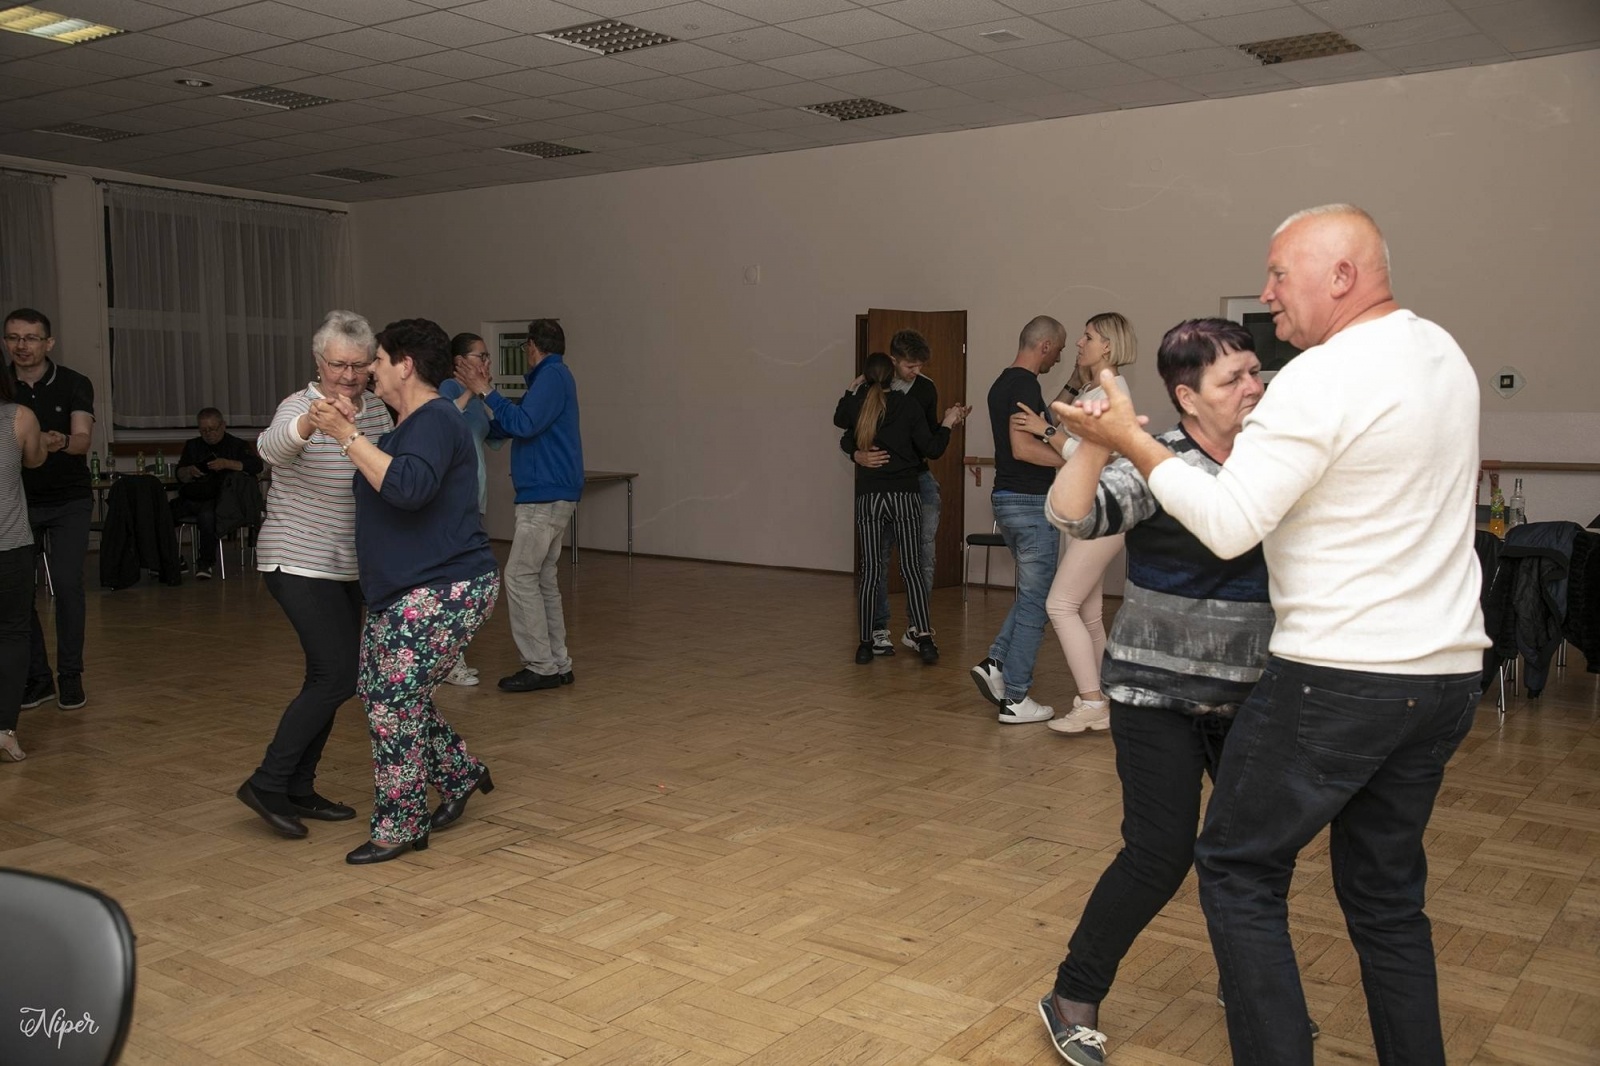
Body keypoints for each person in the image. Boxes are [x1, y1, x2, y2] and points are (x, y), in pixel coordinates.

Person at [1060, 205, 1487, 1066]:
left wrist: (1131, 442)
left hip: (1341, 677)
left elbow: (1227, 523)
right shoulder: (1442, 352)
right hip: (1441, 680)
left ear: (1341, 276)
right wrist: (1129, 447)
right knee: (1386, 901)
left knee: (1237, 867)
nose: (1267, 293)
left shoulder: (1322, 378)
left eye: (1280, 274)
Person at [1034, 319, 1272, 1066]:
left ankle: (1258, 995)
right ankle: (1073, 993)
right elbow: (1068, 513)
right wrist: (1102, 440)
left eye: (1255, 372)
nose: (1253, 388)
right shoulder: (1154, 458)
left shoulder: (1278, 460)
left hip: (1254, 697)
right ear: (1185, 396)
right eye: (1232, 379)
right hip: (1152, 696)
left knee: (1257, 860)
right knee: (1159, 852)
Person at [308, 318, 500, 865]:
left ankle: (401, 824)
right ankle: (461, 774)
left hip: (445, 586)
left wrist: (348, 437)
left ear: (405, 365)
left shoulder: (436, 419)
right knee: (382, 692)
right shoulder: (405, 427)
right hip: (408, 588)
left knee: (392, 701)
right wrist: (355, 435)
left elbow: (409, 488)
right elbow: (388, 476)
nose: (369, 371)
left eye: (379, 360)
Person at [238, 311, 394, 840]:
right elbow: (269, 449)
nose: (348, 376)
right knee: (338, 676)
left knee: (328, 678)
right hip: (298, 560)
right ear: (318, 361)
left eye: (359, 366)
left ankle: (298, 788)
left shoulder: (377, 411)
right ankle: (267, 781)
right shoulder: (299, 405)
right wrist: (313, 423)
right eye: (338, 365)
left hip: (347, 566)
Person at [1013, 313, 1138, 733]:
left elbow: (1093, 456)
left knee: (1059, 604)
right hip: (1087, 510)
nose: (1079, 342)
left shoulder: (1108, 391)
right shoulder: (1093, 388)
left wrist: (1044, 429)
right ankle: (1104, 697)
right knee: (1086, 611)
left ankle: (1091, 703)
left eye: (1088, 337)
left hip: (1099, 512)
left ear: (1108, 346)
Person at [454, 319, 581, 694]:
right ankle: (557, 662)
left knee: (520, 576)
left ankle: (541, 665)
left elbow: (524, 424)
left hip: (544, 494)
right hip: (551, 491)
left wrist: (486, 391)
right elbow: (511, 426)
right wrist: (475, 411)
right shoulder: (552, 378)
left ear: (530, 346)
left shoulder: (552, 377)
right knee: (540, 577)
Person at [839, 330, 963, 654]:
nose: (916, 371)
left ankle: (915, 628)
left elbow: (928, 438)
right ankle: (879, 630)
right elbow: (847, 432)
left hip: (913, 481)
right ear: (893, 361)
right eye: (910, 365)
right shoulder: (872, 389)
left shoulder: (924, 389)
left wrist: (950, 421)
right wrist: (857, 454)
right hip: (889, 486)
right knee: (877, 561)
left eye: (920, 365)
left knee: (922, 558)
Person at [969, 316, 1067, 724]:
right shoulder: (1026, 385)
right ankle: (1016, 698)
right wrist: (1074, 460)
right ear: (1044, 346)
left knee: (1030, 595)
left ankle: (995, 663)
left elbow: (1039, 430)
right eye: (1058, 350)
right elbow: (1024, 449)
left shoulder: (1002, 383)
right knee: (1035, 603)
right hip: (1029, 502)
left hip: (1007, 500)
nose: (1059, 357)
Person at [4, 308, 93, 711]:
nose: (22, 346)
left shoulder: (74, 382)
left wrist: (50, 441)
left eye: (31, 338)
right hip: (18, 504)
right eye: (13, 338)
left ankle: (70, 675)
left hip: (69, 500)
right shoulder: (3, 384)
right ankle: (38, 679)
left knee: (67, 585)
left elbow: (81, 440)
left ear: (48, 343)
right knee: (20, 596)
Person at [435, 332, 507, 687]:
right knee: (453, 580)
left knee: (467, 580)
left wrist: (490, 396)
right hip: (452, 498)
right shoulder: (446, 389)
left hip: (475, 497)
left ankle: (452, 657)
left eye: (488, 356)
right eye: (480, 356)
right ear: (459, 361)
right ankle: (449, 662)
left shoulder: (479, 399)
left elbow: (496, 437)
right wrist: (470, 390)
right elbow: (444, 421)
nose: (486, 363)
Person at [1, 362, 47, 762]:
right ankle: (5, 732)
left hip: (12, 546)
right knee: (13, 635)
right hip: (10, 547)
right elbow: (34, 460)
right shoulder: (19, 417)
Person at [171, 407, 265, 580]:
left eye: (212, 429)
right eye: (204, 430)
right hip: (193, 494)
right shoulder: (193, 446)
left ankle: (205, 563)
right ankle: (171, 559)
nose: (209, 434)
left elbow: (256, 466)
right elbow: (179, 474)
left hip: (222, 499)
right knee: (162, 512)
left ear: (223, 426)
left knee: (207, 516)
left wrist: (227, 463)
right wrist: (189, 471)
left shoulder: (237, 445)